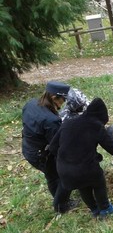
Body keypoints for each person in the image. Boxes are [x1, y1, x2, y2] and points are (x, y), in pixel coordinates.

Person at [49, 98, 113, 218]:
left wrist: (67, 157)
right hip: (85, 167)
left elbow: (53, 147)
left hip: (64, 169)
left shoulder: (68, 123)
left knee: (83, 186)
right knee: (98, 182)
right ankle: (105, 209)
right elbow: (111, 147)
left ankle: (94, 210)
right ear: (101, 116)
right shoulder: (95, 126)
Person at [21, 81, 76, 213]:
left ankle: (61, 202)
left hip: (28, 148)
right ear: (54, 97)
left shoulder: (31, 104)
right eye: (63, 99)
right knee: (66, 176)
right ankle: (60, 207)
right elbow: (57, 145)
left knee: (52, 176)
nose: (64, 103)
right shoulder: (51, 121)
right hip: (41, 154)